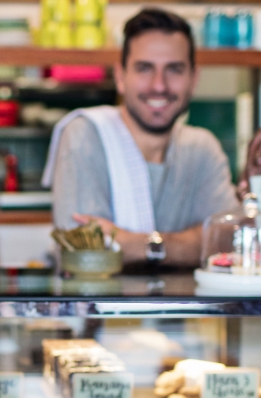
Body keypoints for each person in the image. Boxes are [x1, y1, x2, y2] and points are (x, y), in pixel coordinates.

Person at [43, 8, 239, 267]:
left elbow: (228, 242)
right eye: (144, 68)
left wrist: (135, 244)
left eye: (175, 69)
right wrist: (189, 243)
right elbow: (85, 255)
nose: (159, 85)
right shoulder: (85, 135)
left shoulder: (202, 148)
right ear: (120, 77)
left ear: (194, 79)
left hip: (193, 308)